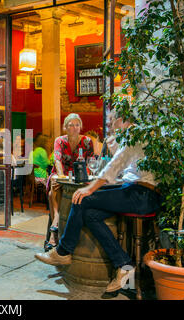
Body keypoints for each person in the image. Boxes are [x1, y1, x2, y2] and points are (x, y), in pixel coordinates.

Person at [34, 114, 162, 296]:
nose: (111, 124)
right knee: (90, 214)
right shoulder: (136, 134)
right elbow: (125, 165)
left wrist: (91, 188)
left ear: (123, 119)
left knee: (83, 198)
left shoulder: (135, 134)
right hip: (137, 192)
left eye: (113, 120)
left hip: (142, 194)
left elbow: (115, 164)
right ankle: (124, 264)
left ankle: (63, 251)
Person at [45, 113, 94, 252]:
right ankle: (57, 227)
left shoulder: (87, 141)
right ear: (65, 127)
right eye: (71, 125)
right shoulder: (59, 141)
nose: (74, 127)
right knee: (55, 182)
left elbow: (90, 162)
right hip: (62, 174)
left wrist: (86, 177)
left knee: (51, 195)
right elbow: (57, 160)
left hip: (80, 175)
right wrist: (62, 177)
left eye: (77, 125)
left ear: (81, 127)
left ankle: (55, 230)